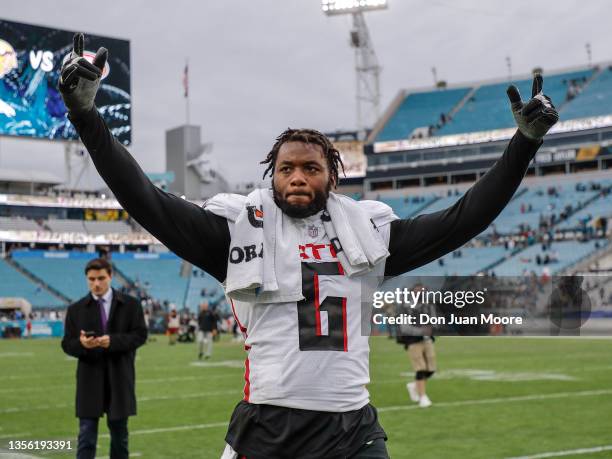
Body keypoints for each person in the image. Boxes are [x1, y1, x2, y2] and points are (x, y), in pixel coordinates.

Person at [59, 33, 558, 458]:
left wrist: (524, 145)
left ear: (332, 177)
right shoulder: (238, 229)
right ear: (270, 175)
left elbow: (462, 219)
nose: (297, 177)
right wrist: (86, 117)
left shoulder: (367, 230)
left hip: (350, 429)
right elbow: (147, 200)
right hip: (266, 427)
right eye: (286, 168)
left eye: (311, 168)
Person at [61, 258, 147, 459]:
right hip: (89, 381)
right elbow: (67, 344)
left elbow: (140, 335)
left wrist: (113, 341)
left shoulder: (131, 305)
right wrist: (82, 345)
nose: (96, 284)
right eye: (91, 279)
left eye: (101, 278)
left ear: (111, 276)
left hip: (120, 378)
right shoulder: (76, 309)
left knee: (120, 438)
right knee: (86, 438)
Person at [396, 284, 437, 408]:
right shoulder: (405, 306)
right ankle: (422, 397)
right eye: (417, 290)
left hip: (427, 340)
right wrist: (421, 331)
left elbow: (434, 319)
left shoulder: (428, 305)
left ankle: (414, 385)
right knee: (420, 368)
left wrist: (432, 326)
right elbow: (404, 327)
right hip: (413, 341)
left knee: (431, 369)